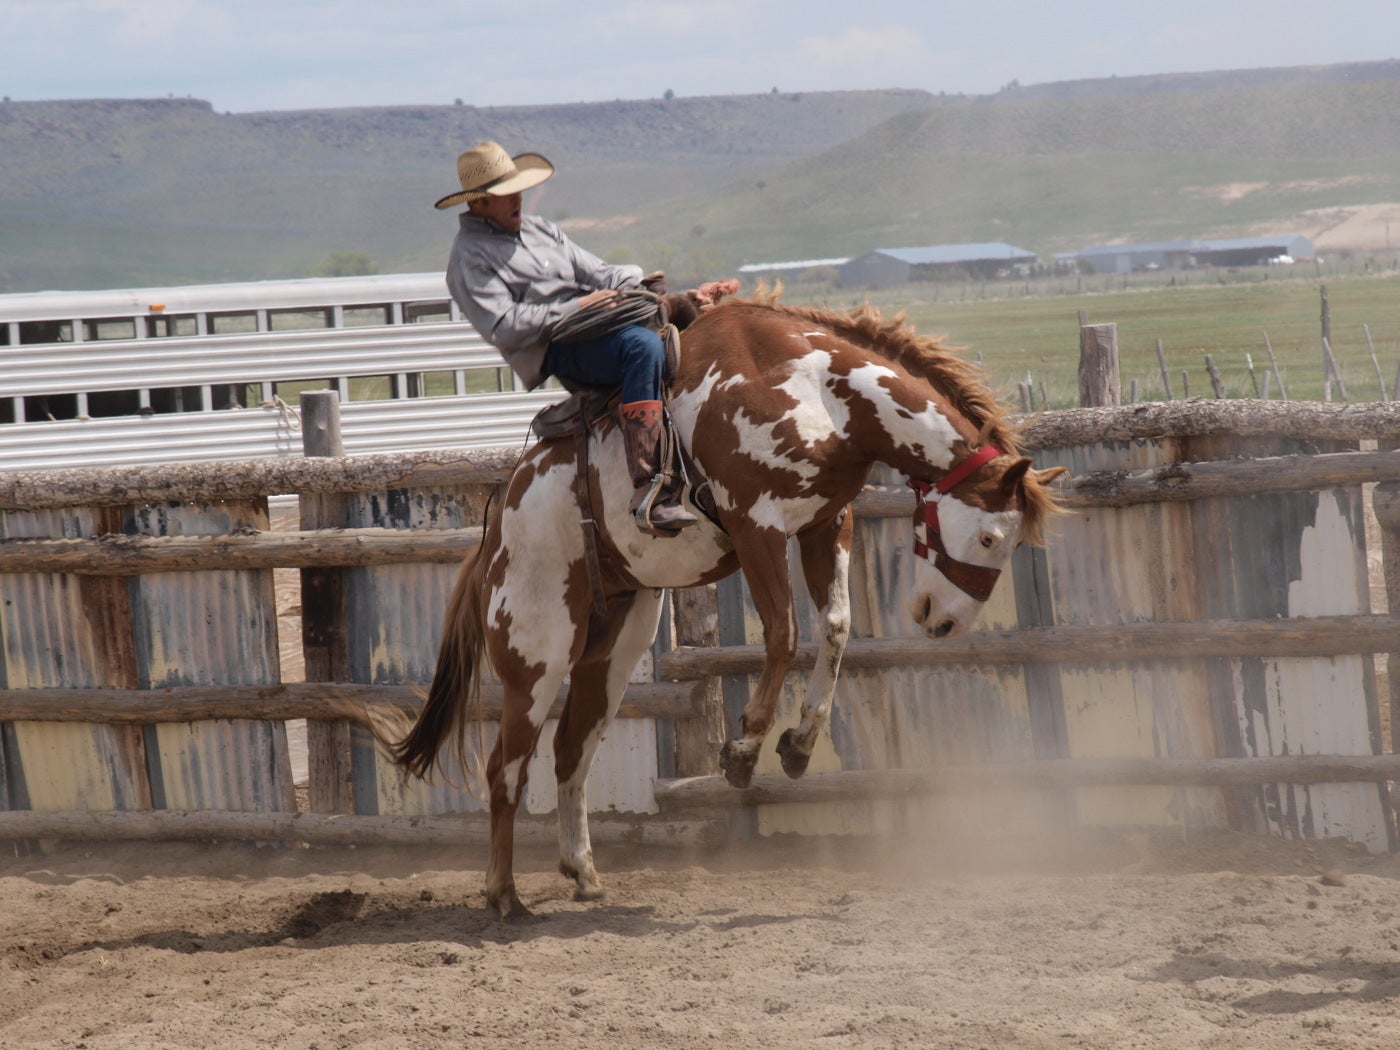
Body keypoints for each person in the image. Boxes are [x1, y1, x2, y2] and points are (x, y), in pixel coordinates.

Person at [436, 140, 697, 533]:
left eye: (518, 189)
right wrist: (578, 307)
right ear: (479, 203)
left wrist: (636, 284)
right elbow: (504, 325)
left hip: (601, 323)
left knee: (686, 313)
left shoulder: (540, 229)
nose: (517, 198)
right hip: (561, 346)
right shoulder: (469, 257)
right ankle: (650, 488)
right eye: (506, 193)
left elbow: (600, 272)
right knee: (643, 347)